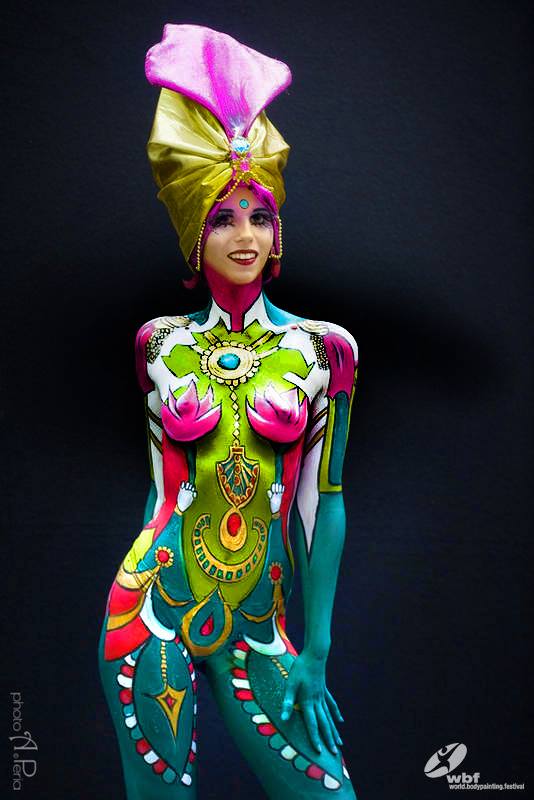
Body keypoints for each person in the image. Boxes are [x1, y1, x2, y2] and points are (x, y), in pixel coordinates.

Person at [98, 24, 358, 800]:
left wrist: (316, 651)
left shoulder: (324, 350)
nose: (244, 236)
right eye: (222, 218)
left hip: (258, 627)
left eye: (259, 216)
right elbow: (160, 493)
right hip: (150, 612)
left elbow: (321, 505)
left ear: (278, 233)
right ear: (194, 233)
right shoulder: (158, 344)